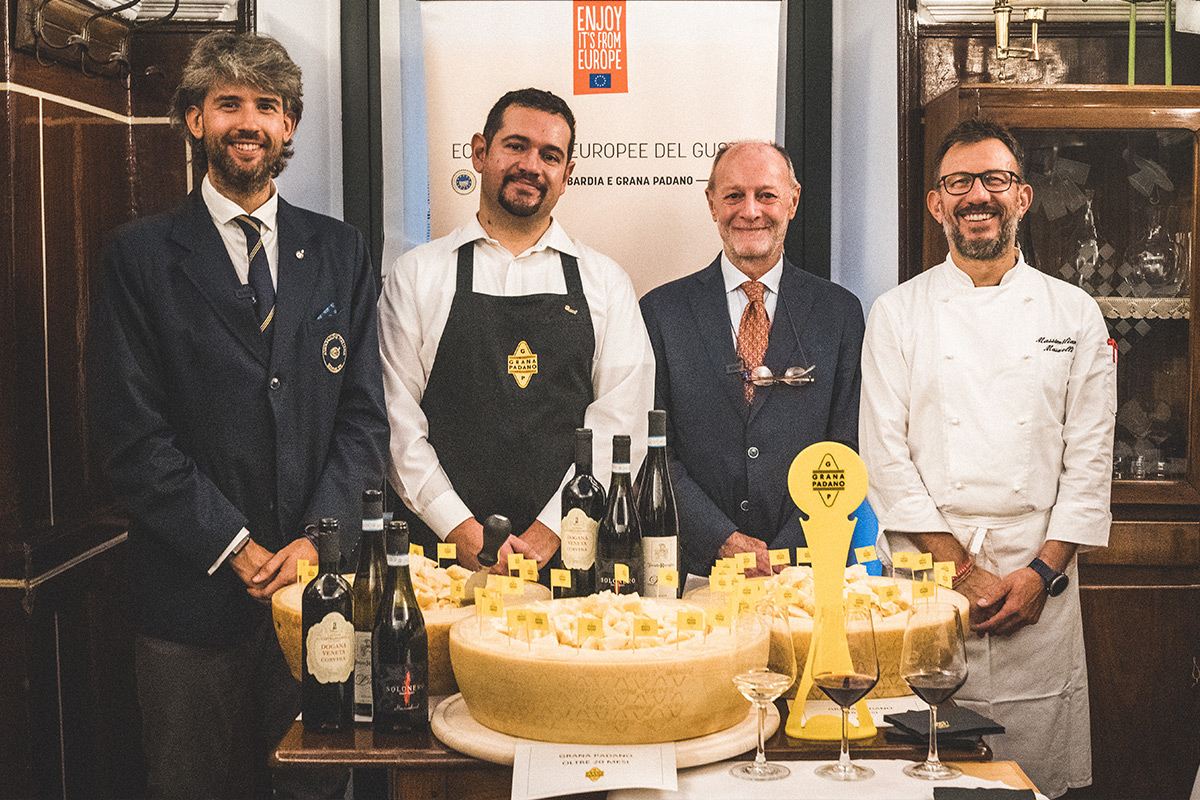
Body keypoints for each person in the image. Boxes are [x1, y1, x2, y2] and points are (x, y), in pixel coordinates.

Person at [88, 32, 387, 800]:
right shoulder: (141, 255)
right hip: (190, 595)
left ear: (289, 126)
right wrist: (235, 545)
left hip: (316, 594)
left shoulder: (341, 250)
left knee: (321, 789)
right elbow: (131, 436)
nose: (248, 121)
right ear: (195, 121)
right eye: (228, 103)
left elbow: (362, 419)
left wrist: (317, 542)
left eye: (267, 105)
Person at [859, 118, 1115, 798]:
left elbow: (1089, 463)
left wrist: (1038, 575)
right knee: (926, 767)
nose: (978, 196)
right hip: (929, 580)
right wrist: (966, 574)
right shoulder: (896, 313)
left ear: (1022, 196)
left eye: (994, 180)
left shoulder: (1075, 314)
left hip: (1042, 584)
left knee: (1031, 776)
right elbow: (885, 460)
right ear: (937, 204)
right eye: (959, 183)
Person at [378, 88, 654, 572]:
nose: (532, 164)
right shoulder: (417, 274)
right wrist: (460, 530)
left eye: (550, 155)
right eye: (516, 146)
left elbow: (620, 421)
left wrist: (553, 532)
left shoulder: (605, 281)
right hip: (441, 562)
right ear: (480, 152)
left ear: (567, 175)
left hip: (570, 558)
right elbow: (395, 421)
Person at [639, 141, 865, 579]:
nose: (750, 210)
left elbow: (845, 447)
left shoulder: (839, 313)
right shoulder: (661, 311)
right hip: (692, 566)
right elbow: (655, 451)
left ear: (793, 200)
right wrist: (719, 539)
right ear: (711, 203)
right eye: (733, 196)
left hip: (805, 567)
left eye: (766, 195)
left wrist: (789, 548)